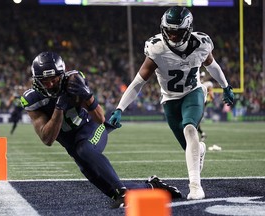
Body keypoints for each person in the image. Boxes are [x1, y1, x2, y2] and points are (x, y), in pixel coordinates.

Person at [20, 51, 182, 209]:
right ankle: (151, 187)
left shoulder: (73, 80)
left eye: (53, 79)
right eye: (44, 81)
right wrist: (59, 107)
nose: (49, 85)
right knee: (107, 188)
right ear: (36, 81)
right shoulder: (32, 99)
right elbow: (47, 139)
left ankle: (122, 191)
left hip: (92, 128)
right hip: (72, 145)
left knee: (85, 149)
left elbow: (100, 118)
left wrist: (88, 96)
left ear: (61, 75)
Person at [109, 6, 234, 200]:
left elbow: (212, 65)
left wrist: (225, 86)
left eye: (177, 31)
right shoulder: (157, 49)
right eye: (169, 31)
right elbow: (138, 82)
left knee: (190, 129)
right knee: (189, 148)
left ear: (188, 29)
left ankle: (195, 187)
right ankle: (200, 149)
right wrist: (119, 108)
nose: (173, 36)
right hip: (169, 100)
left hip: (193, 93)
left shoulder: (201, 44)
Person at [197, 71, 215, 141]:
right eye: (200, 77)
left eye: (202, 77)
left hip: (201, 104)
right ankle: (202, 134)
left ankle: (201, 134)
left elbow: (212, 96)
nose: (201, 78)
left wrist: (207, 101)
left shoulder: (207, 84)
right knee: (194, 121)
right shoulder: (196, 83)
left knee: (195, 121)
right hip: (196, 103)